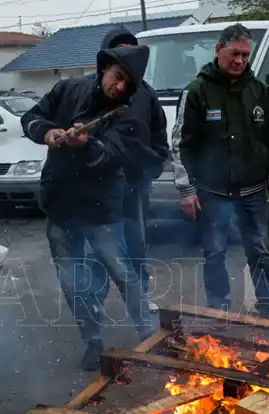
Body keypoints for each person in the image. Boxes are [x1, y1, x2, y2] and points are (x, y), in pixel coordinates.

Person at [21, 44, 157, 370]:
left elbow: (112, 154)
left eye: (128, 84)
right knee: (72, 282)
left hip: (101, 210)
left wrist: (88, 144)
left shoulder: (128, 110)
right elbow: (30, 118)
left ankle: (149, 333)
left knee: (123, 273)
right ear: (105, 67)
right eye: (118, 77)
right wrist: (48, 132)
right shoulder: (69, 88)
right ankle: (93, 341)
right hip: (60, 206)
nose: (120, 87)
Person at [172, 23, 269, 320]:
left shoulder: (261, 92)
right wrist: (186, 189)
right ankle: (219, 305)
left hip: (253, 192)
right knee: (214, 253)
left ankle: (267, 301)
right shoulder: (196, 91)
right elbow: (179, 144)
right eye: (234, 53)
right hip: (213, 193)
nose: (239, 61)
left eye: (245, 56)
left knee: (259, 251)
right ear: (218, 50)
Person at [88, 26, 169, 315]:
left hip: (134, 186)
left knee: (135, 244)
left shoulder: (146, 95)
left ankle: (140, 299)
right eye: (119, 51)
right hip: (97, 189)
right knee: (97, 251)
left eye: (130, 51)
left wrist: (152, 167)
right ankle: (94, 304)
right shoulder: (92, 92)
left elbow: (160, 138)